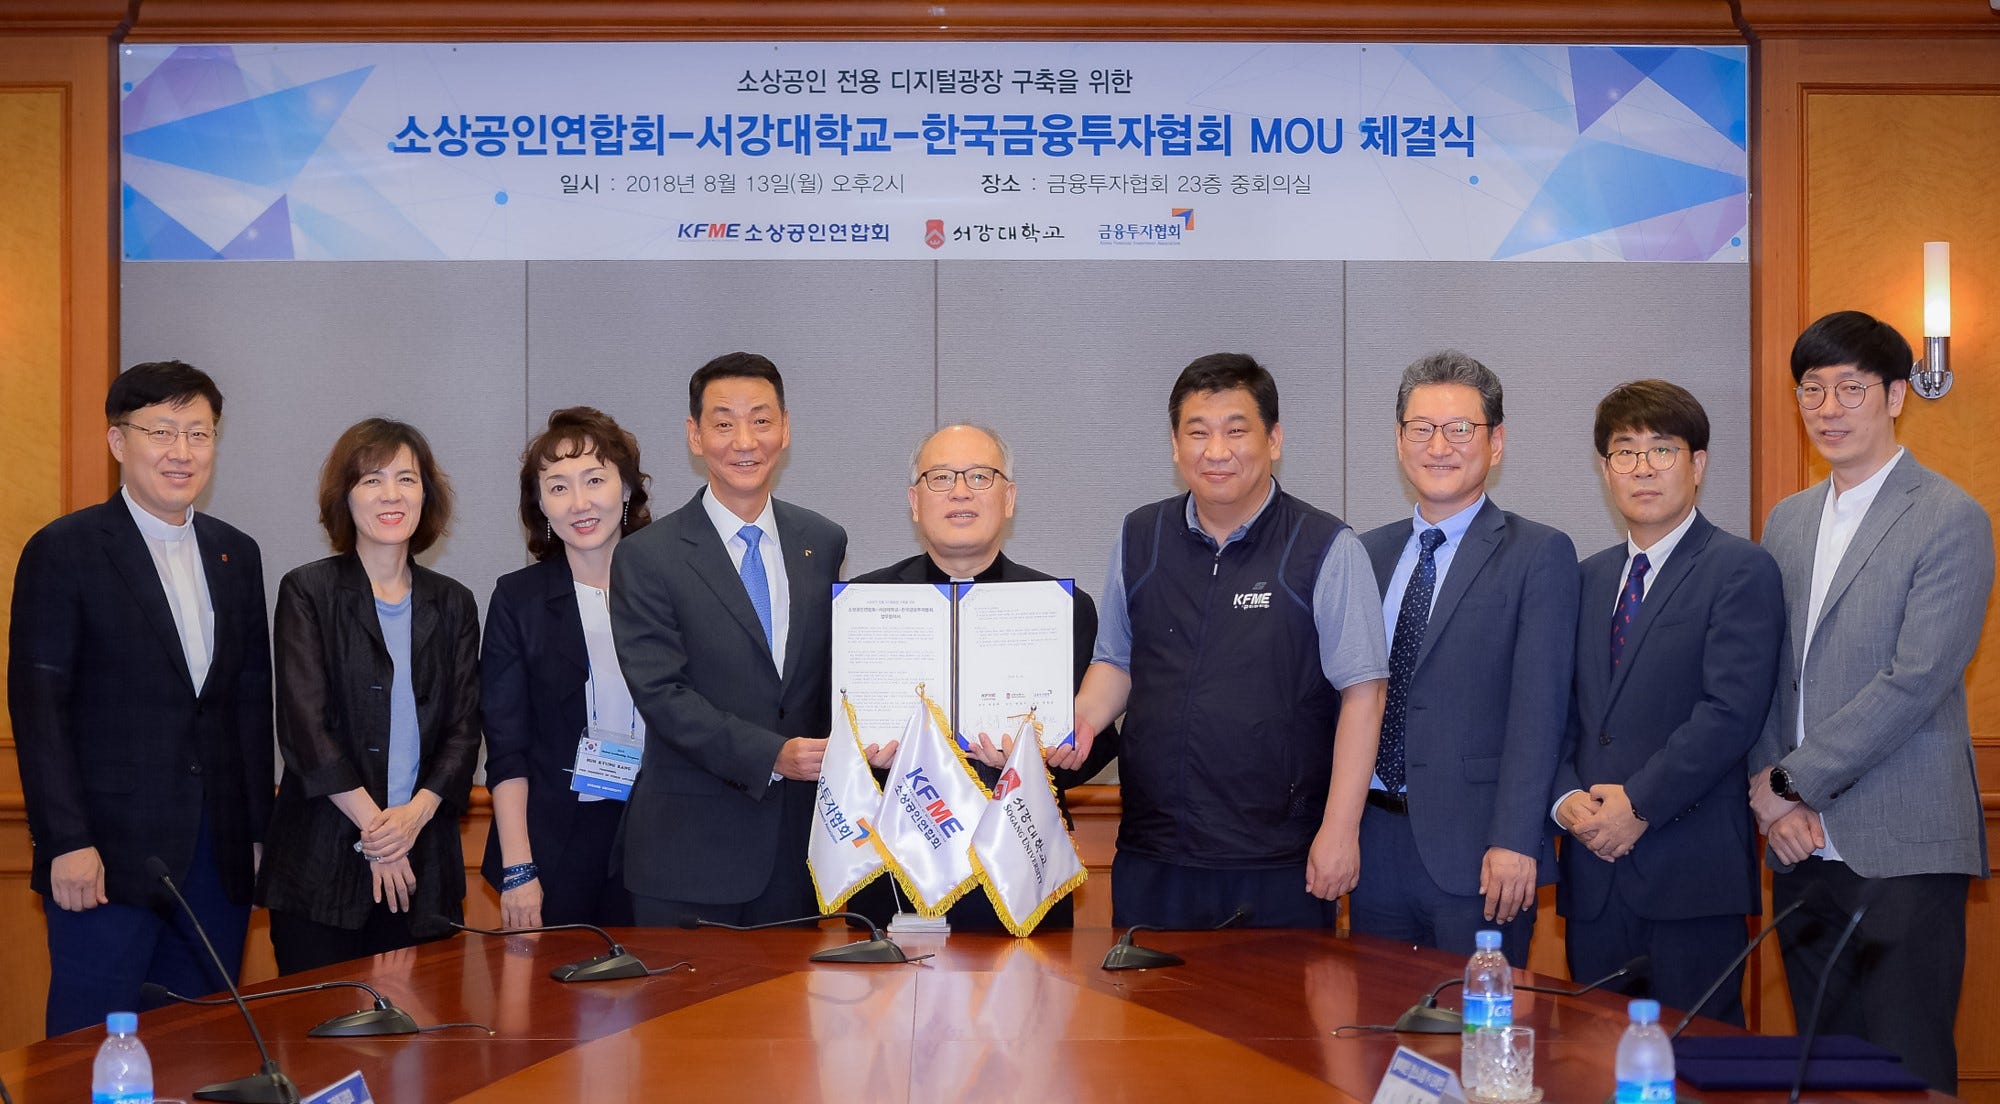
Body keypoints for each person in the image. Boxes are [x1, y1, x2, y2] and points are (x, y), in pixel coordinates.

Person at [1750, 311, 1992, 1092]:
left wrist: (1794, 780)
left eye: (1850, 389)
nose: (1828, 408)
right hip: (1798, 847)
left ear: (1894, 396)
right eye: (1812, 390)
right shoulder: (1787, 520)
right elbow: (1766, 672)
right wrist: (1774, 802)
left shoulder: (1950, 516)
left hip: (1903, 844)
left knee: (1906, 1069)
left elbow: (1917, 677)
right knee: (1825, 1071)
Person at [1072, 353, 1387, 929]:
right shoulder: (1140, 536)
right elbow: (1116, 661)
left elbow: (1363, 694)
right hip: (1154, 853)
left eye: (1236, 431)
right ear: (1175, 445)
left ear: (1274, 440)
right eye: (1198, 433)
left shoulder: (1325, 547)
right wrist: (1079, 724)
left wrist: (1341, 830)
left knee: (1277, 993)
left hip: (1278, 860)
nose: (1216, 451)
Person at [10, 360, 273, 1036]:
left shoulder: (236, 554)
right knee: (90, 1050)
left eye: (199, 433)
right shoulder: (64, 550)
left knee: (204, 1047)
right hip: (105, 860)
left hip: (216, 862)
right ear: (117, 441)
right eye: (161, 431)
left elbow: (249, 704)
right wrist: (65, 840)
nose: (182, 451)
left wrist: (254, 835)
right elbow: (39, 709)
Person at [1552, 380, 1783, 1025]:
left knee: (1698, 1064)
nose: (1642, 467)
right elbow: (1558, 711)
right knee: (1594, 1061)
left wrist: (1639, 805)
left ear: (1698, 463)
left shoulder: (1740, 568)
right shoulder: (1586, 577)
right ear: (1605, 470)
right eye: (1624, 451)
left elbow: (1730, 713)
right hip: (1593, 876)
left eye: (1662, 449)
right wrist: (1566, 798)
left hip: (1691, 876)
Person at [1351, 351, 1577, 964]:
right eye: (1421, 428)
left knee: (1473, 1020)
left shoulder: (1538, 554)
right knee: (1372, 1017)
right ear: (1399, 440)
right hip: (1371, 847)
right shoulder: (1364, 554)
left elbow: (1540, 711)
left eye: (1459, 428)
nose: (1438, 446)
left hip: (1481, 853)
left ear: (1495, 443)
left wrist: (1516, 838)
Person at [846, 424, 1118, 930]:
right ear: (914, 501)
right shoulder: (863, 604)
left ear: (1008, 498)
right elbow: (835, 740)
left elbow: (1096, 744)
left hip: (1019, 872)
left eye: (979, 476)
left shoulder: (1062, 608)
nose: (960, 491)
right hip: (896, 875)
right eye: (941, 477)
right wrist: (861, 758)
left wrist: (1055, 757)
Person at [609, 352, 847, 927]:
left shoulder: (822, 541)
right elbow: (662, 694)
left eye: (761, 420)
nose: (745, 441)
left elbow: (829, 678)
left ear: (785, 429)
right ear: (695, 436)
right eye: (723, 423)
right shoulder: (647, 557)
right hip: (688, 854)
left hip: (797, 854)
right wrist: (772, 755)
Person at [259, 419, 482, 975]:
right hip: (321, 866)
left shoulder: (453, 603)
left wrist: (411, 822)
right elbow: (305, 731)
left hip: (425, 865)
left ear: (426, 495)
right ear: (346, 496)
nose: (391, 495)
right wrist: (381, 837)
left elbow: (463, 731)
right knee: (325, 1024)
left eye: (406, 479)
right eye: (371, 480)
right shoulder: (308, 591)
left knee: (423, 1026)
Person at [479, 407, 653, 928]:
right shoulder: (519, 600)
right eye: (558, 487)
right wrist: (518, 868)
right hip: (555, 842)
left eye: (594, 480)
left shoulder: (668, 590)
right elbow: (506, 747)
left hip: (656, 836)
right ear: (540, 505)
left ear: (626, 488)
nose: (579, 503)